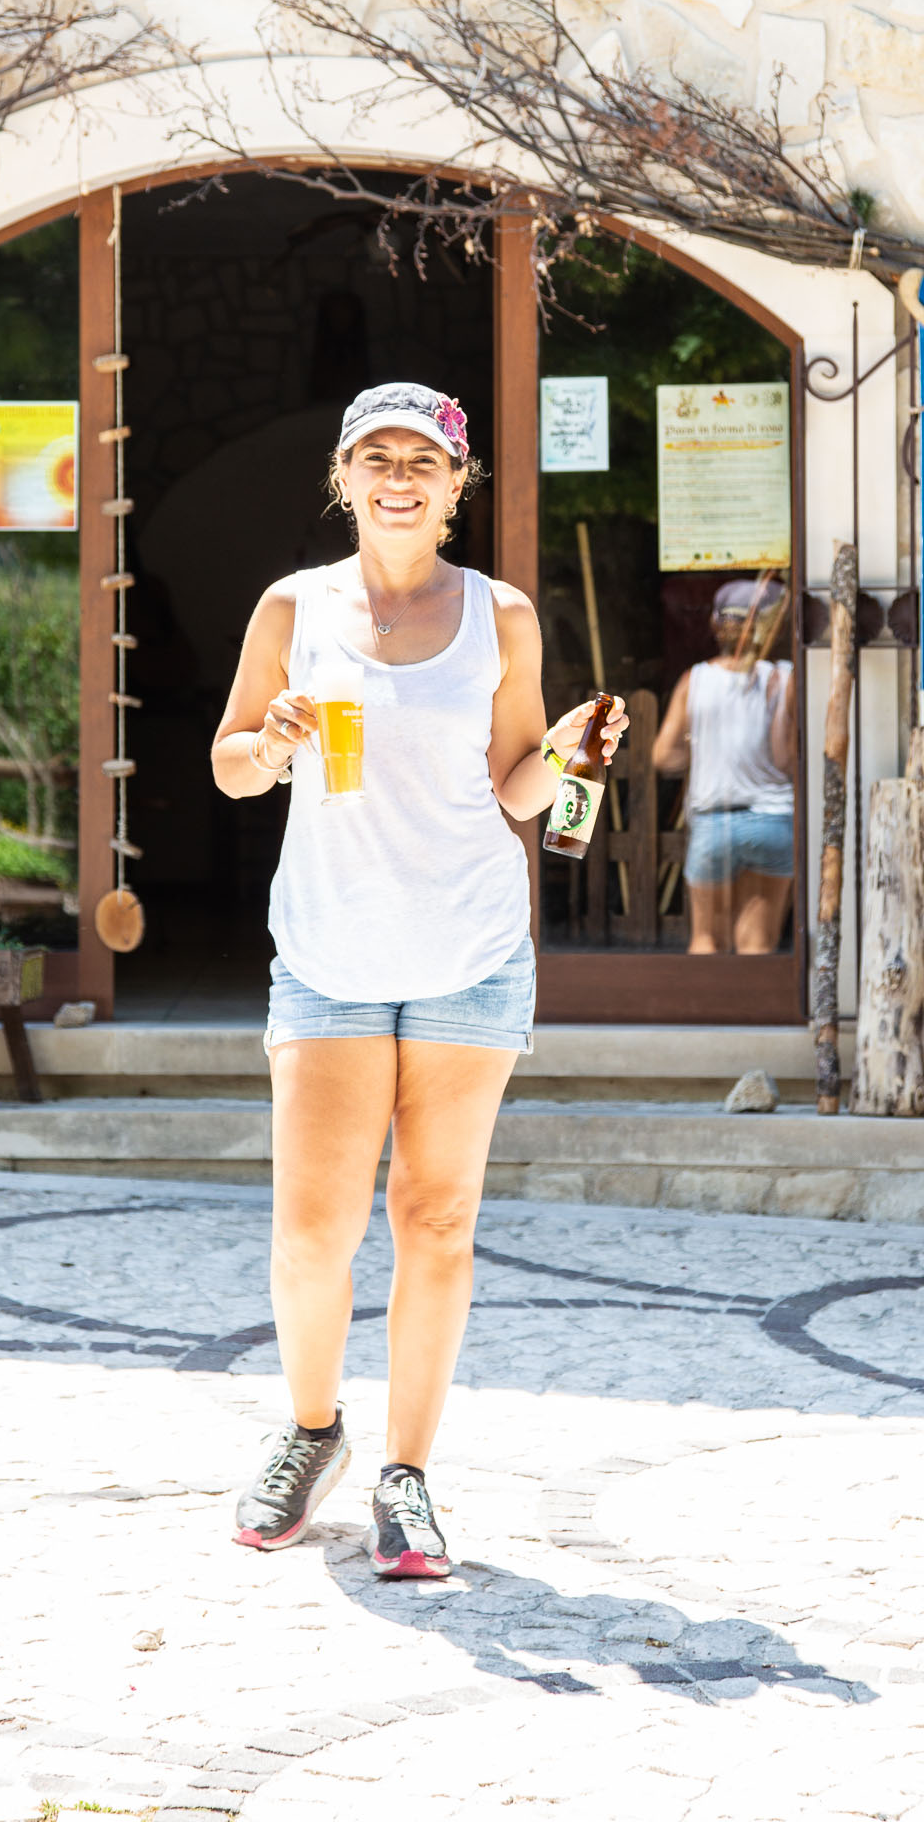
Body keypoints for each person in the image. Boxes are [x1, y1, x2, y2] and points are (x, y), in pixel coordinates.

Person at [211, 381, 626, 1579]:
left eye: (422, 461)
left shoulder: (502, 616)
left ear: (456, 484)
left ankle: (406, 1474)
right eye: (376, 458)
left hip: (469, 955)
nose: (399, 478)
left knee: (436, 1221)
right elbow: (231, 767)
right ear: (345, 477)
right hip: (331, 957)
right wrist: (269, 744)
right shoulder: (292, 606)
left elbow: (515, 788)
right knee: (313, 1233)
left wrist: (568, 754)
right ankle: (310, 1430)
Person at [651, 578, 797, 955]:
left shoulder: (695, 680)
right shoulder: (783, 677)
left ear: (717, 625)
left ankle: (701, 996)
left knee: (706, 940)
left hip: (713, 823)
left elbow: (663, 757)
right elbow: (785, 759)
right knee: (758, 942)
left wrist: (699, 745)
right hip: (772, 820)